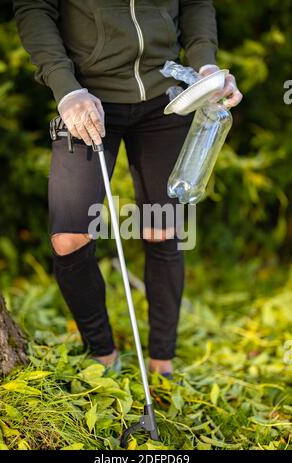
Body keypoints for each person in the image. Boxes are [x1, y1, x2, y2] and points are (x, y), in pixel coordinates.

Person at [13, 1, 242, 377]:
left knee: (163, 230)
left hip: (165, 101)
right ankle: (102, 355)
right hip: (86, 97)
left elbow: (196, 3)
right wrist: (66, 88)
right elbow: (33, 8)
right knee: (69, 238)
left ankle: (162, 365)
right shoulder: (76, 93)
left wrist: (206, 66)